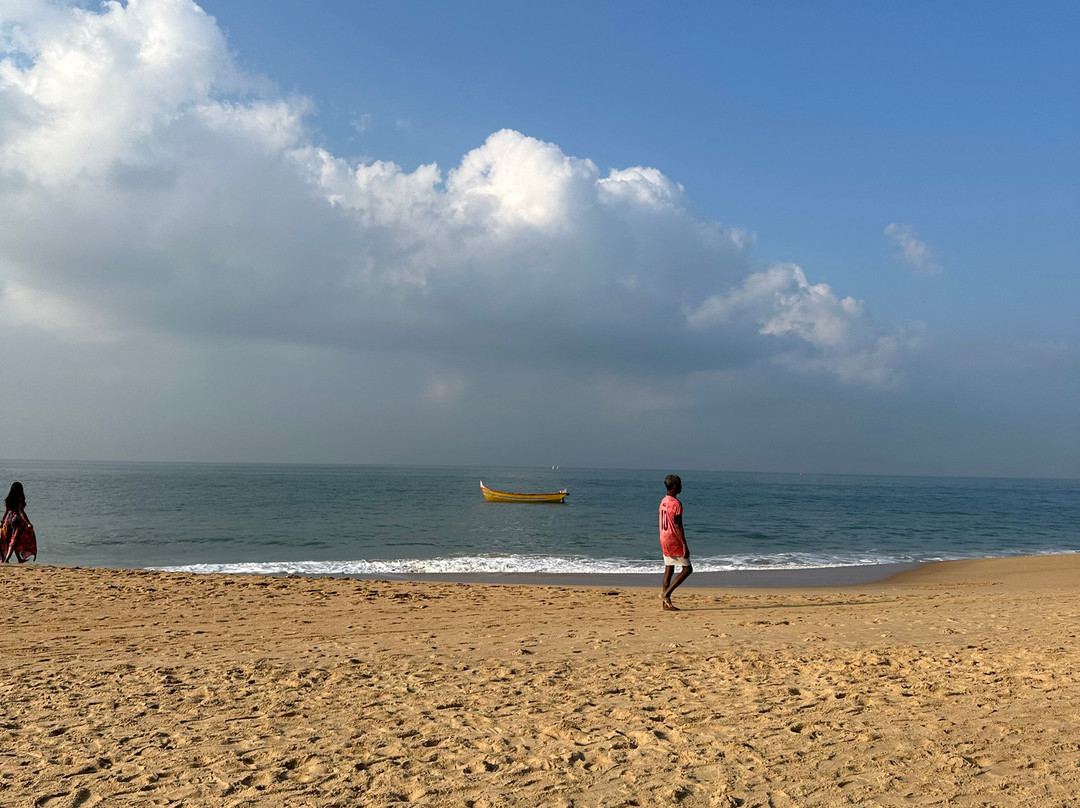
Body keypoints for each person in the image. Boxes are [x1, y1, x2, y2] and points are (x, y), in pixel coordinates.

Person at [659, 474, 691, 610]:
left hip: (663, 537)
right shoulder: (676, 504)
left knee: (669, 568)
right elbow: (678, 525)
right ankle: (666, 594)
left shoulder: (663, 501)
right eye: (679, 485)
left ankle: (665, 605)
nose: (681, 487)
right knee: (687, 568)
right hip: (673, 538)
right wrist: (684, 544)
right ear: (674, 487)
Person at [1, 482, 37, 563]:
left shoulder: (8, 498)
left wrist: (2, 521)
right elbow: (21, 512)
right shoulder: (20, 498)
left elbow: (6, 511)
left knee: (13, 540)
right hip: (16, 521)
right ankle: (6, 560)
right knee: (14, 540)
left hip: (8, 520)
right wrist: (28, 523)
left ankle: (19, 559)